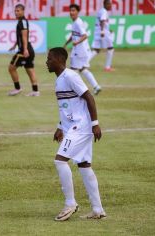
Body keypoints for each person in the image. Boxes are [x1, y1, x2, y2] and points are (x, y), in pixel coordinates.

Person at [46, 47, 106, 221]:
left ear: (59, 60)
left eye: (49, 59)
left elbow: (89, 97)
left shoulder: (71, 76)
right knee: (84, 164)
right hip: (73, 126)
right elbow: (67, 107)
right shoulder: (59, 80)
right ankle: (97, 209)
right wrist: (59, 126)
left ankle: (70, 203)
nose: (47, 62)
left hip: (80, 127)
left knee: (60, 160)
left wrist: (95, 124)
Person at [64, 4, 101, 95]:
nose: (71, 12)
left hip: (80, 50)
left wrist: (77, 42)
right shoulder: (75, 22)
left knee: (73, 70)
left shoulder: (78, 22)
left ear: (77, 12)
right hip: (81, 50)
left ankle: (76, 90)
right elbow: (73, 35)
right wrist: (66, 44)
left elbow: (85, 35)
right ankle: (96, 86)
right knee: (82, 69)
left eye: (73, 10)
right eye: (71, 10)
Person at [8, 4, 39, 97]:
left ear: (23, 11)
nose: (16, 12)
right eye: (15, 11)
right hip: (28, 50)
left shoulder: (23, 22)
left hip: (24, 51)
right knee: (30, 70)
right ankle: (35, 91)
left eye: (18, 11)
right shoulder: (21, 22)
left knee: (11, 68)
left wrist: (25, 49)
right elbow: (20, 37)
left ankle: (17, 88)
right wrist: (14, 45)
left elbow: (25, 36)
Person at [89, 0, 114, 72]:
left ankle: (83, 64)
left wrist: (108, 30)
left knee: (96, 50)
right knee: (110, 48)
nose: (110, 6)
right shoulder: (104, 12)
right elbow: (102, 21)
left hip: (98, 31)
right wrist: (103, 31)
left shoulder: (101, 11)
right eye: (109, 4)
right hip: (103, 33)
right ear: (105, 4)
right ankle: (107, 67)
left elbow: (101, 21)